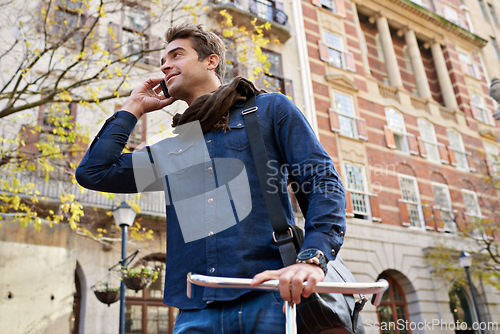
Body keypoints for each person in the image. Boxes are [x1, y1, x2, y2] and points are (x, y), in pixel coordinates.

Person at [76, 23, 346, 333]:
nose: (165, 65)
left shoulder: (269, 110)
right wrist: (134, 107)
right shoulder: (176, 150)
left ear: (211, 61)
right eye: (162, 61)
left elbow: (322, 182)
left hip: (269, 298)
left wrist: (311, 258)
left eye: (177, 55)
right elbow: (94, 172)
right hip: (195, 312)